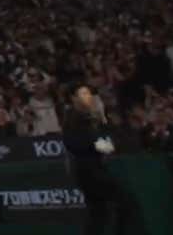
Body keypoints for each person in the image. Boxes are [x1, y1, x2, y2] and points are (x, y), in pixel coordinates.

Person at [63, 83, 142, 235]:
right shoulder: (74, 118)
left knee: (98, 213)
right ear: (73, 99)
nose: (87, 98)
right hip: (88, 172)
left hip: (92, 170)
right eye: (82, 94)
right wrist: (105, 145)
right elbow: (82, 143)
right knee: (125, 202)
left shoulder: (89, 117)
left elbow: (103, 139)